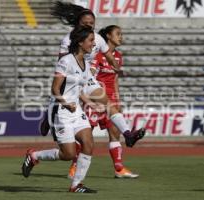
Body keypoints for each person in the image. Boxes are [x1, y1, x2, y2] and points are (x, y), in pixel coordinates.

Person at [40, 1, 145, 148]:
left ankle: (128, 135)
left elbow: (109, 55)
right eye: (85, 23)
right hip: (72, 79)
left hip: (88, 78)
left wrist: (116, 67)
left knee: (109, 105)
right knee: (61, 100)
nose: (89, 25)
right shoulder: (68, 39)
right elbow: (62, 64)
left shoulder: (98, 39)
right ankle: (49, 114)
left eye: (92, 23)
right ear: (78, 23)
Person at [22, 26, 97, 193]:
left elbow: (78, 91)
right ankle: (34, 156)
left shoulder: (86, 63)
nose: (93, 44)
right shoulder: (65, 61)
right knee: (68, 154)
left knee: (89, 143)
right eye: (91, 40)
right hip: (60, 111)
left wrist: (90, 103)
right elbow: (54, 90)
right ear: (80, 42)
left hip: (75, 111)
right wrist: (65, 103)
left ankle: (76, 185)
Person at [68, 25, 139, 179]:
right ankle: (74, 166)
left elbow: (115, 79)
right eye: (118, 34)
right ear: (108, 36)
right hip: (95, 98)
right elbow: (90, 74)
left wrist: (117, 100)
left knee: (115, 133)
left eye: (122, 34)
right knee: (87, 135)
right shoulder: (98, 55)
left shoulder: (118, 56)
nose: (121, 37)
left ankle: (119, 169)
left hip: (110, 99)